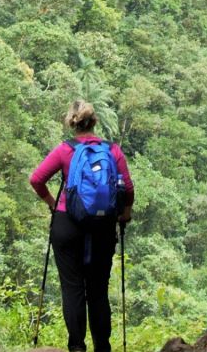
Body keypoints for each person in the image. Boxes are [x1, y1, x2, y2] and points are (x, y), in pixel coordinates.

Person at [30, 100, 134, 352]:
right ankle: (103, 347)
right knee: (97, 290)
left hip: (68, 224)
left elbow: (37, 179)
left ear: (72, 123)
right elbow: (128, 189)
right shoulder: (112, 150)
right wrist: (125, 214)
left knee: (73, 287)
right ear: (94, 122)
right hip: (103, 227)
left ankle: (76, 347)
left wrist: (53, 203)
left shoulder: (65, 150)